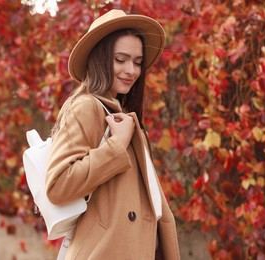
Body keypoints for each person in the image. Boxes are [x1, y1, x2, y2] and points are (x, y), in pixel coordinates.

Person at [45, 9, 180, 259]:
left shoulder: (125, 117)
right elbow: (58, 184)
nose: (131, 70)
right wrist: (116, 145)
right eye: (121, 59)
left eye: (138, 62)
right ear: (100, 59)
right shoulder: (86, 107)